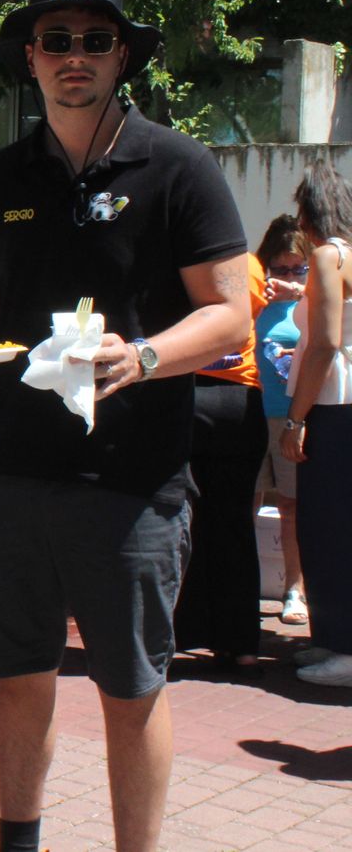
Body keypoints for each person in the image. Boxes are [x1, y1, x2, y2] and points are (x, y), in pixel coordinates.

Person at [0, 0, 249, 852]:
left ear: (122, 56)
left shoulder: (179, 166)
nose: (76, 57)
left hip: (134, 476)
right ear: (30, 58)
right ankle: (17, 841)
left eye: (95, 40)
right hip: (11, 469)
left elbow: (229, 313)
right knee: (18, 669)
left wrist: (143, 357)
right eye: (58, 41)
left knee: (131, 682)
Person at [174, 247, 269, 672]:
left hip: (188, 395)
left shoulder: (178, 261)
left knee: (184, 523)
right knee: (234, 525)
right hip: (240, 400)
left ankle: (185, 633)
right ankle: (242, 644)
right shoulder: (248, 264)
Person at [279, 162, 352, 686]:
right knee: (328, 527)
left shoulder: (328, 256)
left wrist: (295, 417)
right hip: (339, 404)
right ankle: (332, 640)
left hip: (332, 406)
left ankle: (343, 649)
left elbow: (325, 343)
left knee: (328, 528)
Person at [252, 214, 310, 624]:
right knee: (246, 503)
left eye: (298, 268)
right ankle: (243, 589)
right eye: (280, 268)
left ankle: (294, 589)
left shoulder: (311, 303)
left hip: (292, 417)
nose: (288, 276)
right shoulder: (255, 300)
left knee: (292, 507)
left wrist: (301, 292)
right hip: (251, 413)